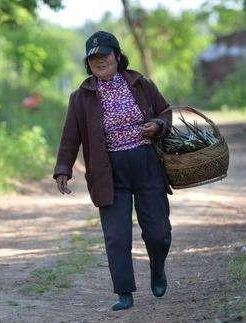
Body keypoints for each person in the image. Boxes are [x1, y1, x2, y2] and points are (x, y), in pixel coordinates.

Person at [54, 31, 173, 311]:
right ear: (88, 63)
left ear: (117, 56)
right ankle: (124, 292)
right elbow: (70, 137)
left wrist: (157, 125)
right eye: (93, 58)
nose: (100, 61)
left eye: (105, 55)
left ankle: (157, 268)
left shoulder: (141, 84)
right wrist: (63, 169)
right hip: (108, 172)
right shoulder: (81, 97)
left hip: (146, 165)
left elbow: (166, 111)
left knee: (158, 232)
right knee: (117, 236)